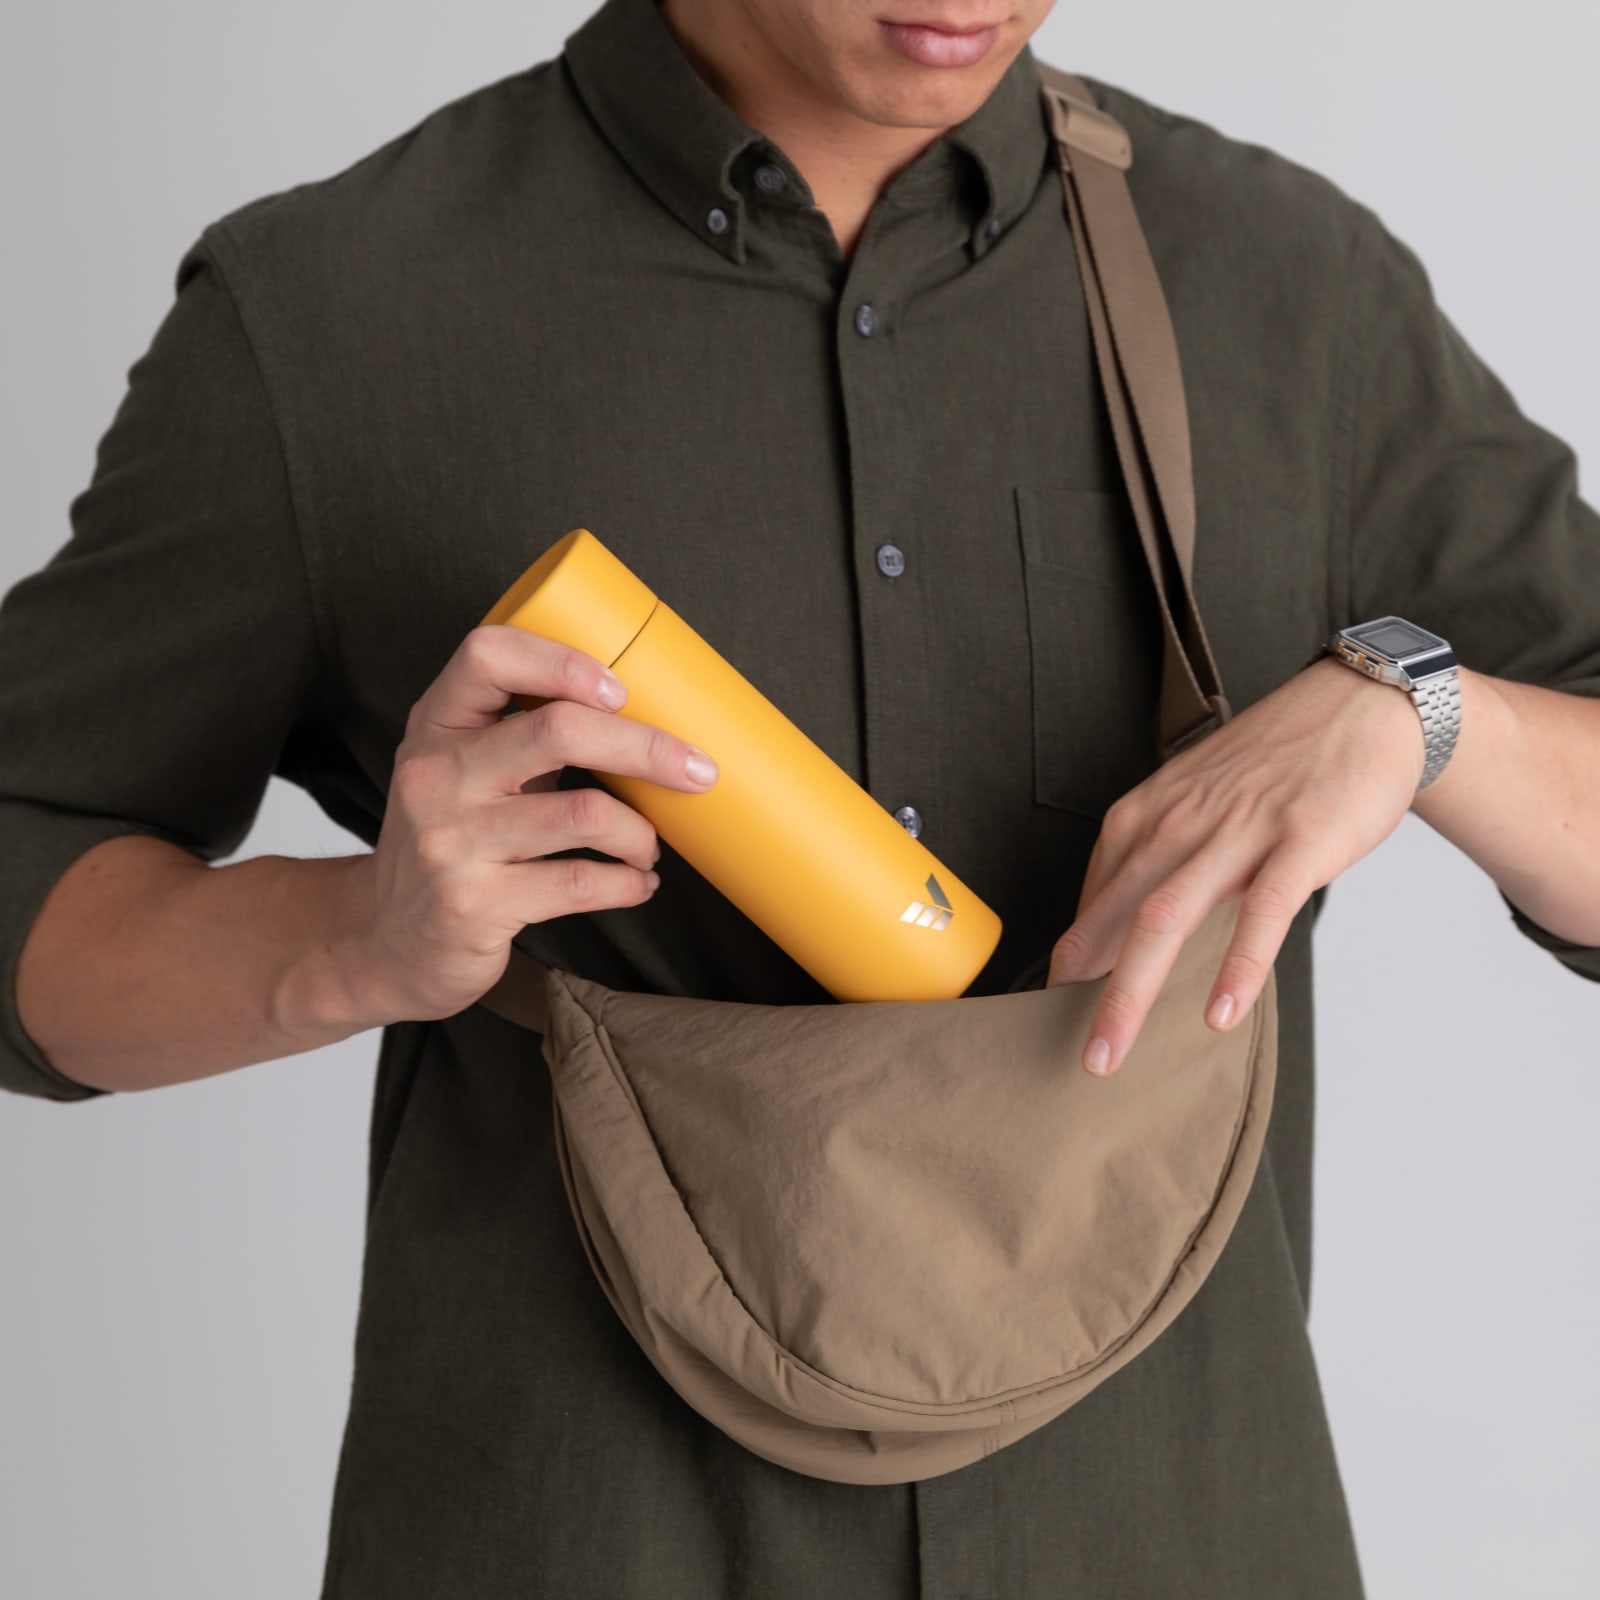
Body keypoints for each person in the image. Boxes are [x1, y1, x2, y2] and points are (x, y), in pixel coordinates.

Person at [2, 0, 1596, 1593]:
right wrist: (351, 936)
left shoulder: (1289, 285)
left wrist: (1429, 715)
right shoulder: (333, 312)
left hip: (1175, 1530)